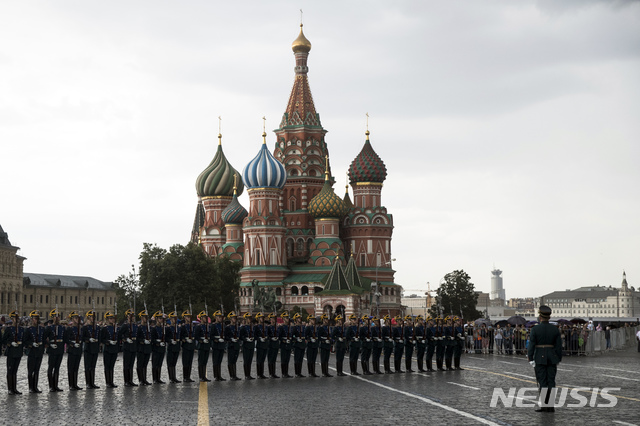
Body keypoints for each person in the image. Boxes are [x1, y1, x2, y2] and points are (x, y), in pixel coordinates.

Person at [528, 305, 562, 413]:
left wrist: (530, 357)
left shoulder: (535, 329)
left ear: (540, 317)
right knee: (551, 381)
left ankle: (544, 405)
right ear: (549, 317)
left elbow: (531, 344)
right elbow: (558, 346)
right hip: (552, 357)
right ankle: (551, 406)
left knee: (542, 381)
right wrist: (558, 358)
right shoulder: (555, 330)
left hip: (539, 357)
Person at [3, 311, 25, 395]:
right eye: (15, 318)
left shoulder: (21, 329)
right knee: (10, 370)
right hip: (11, 352)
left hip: (18, 351)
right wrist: (10, 343)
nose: (17, 320)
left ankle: (14, 388)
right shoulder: (8, 329)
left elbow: (23, 339)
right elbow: (4, 340)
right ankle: (10, 389)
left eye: (17, 318)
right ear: (12, 319)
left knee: (15, 371)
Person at [24, 310, 45, 393]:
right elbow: (25, 341)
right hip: (32, 352)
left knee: (37, 370)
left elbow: (43, 339)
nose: (35, 320)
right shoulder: (28, 330)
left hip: (39, 351)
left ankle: (35, 387)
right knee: (30, 370)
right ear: (31, 319)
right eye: (34, 318)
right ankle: (30, 387)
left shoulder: (41, 329)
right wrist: (31, 344)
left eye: (36, 318)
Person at [99, 311, 120, 388]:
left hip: (114, 349)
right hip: (108, 349)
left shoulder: (116, 328)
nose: (112, 320)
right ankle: (108, 382)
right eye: (110, 318)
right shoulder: (104, 329)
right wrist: (108, 341)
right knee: (107, 366)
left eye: (113, 318)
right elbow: (101, 339)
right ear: (107, 319)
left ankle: (111, 381)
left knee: (112, 366)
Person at [64, 311, 83, 391]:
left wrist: (80, 342)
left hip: (78, 349)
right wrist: (72, 343)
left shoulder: (80, 328)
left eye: (77, 318)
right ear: (72, 319)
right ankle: (71, 384)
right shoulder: (69, 328)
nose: (77, 320)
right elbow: (66, 339)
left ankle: (75, 384)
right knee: (71, 368)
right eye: (75, 318)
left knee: (76, 368)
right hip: (72, 349)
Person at [82, 309, 101, 389]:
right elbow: (82, 337)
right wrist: (88, 339)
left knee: (93, 366)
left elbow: (99, 337)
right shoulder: (85, 328)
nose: (93, 318)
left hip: (95, 348)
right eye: (91, 317)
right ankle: (88, 383)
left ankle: (92, 383)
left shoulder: (97, 327)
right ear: (88, 318)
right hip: (88, 348)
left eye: (93, 317)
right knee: (87, 366)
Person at [119, 309, 138, 386]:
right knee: (126, 364)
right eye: (131, 316)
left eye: (133, 316)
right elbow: (119, 334)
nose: (132, 317)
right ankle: (126, 381)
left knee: (131, 364)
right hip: (127, 346)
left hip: (133, 346)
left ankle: (130, 380)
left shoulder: (135, 325)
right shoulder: (125, 325)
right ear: (127, 317)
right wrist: (125, 339)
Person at [150, 311, 169, 384]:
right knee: (155, 364)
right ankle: (155, 379)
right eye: (160, 318)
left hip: (162, 348)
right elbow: (152, 339)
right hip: (156, 348)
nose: (162, 320)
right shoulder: (154, 328)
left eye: (162, 319)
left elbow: (166, 337)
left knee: (160, 364)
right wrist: (158, 342)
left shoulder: (163, 328)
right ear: (157, 319)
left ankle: (158, 378)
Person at [136, 309, 153, 386]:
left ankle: (144, 379)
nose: (146, 319)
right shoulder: (139, 328)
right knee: (140, 364)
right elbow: (137, 338)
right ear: (141, 318)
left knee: (145, 364)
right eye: (145, 317)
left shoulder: (148, 327)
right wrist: (143, 340)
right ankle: (141, 380)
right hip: (141, 348)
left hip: (147, 348)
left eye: (147, 317)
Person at [194, 311, 211, 382]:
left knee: (205, 362)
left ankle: (204, 376)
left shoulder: (208, 326)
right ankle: (201, 376)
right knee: (201, 362)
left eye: (206, 317)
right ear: (201, 318)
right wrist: (201, 340)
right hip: (201, 345)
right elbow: (196, 336)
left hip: (207, 345)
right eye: (204, 318)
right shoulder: (198, 327)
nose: (205, 319)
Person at [180, 310, 196, 382]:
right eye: (187, 317)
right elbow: (180, 336)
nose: (189, 318)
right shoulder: (183, 327)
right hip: (186, 346)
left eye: (189, 317)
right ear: (184, 318)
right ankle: (185, 377)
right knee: (185, 362)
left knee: (190, 362)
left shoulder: (192, 326)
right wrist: (185, 340)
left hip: (191, 345)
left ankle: (188, 377)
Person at [166, 311, 182, 383]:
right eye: (173, 319)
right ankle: (171, 378)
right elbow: (166, 338)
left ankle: (174, 377)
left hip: (177, 346)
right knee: (170, 363)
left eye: (175, 319)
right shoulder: (168, 328)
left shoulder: (178, 328)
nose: (175, 320)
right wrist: (170, 341)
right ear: (170, 319)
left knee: (174, 363)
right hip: (171, 347)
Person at [238, 312, 255, 380]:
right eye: (248, 319)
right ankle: (246, 375)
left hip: (251, 345)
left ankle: (249, 374)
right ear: (245, 319)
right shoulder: (243, 328)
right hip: (246, 345)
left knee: (250, 360)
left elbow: (255, 335)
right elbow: (240, 336)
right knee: (246, 360)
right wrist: (245, 339)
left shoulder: (252, 327)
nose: (249, 320)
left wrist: (253, 338)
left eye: (250, 319)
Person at [210, 310, 225, 381]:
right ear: (216, 317)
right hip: (216, 345)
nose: (220, 318)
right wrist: (217, 340)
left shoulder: (222, 325)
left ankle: (219, 375)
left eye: (221, 317)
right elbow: (211, 336)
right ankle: (216, 376)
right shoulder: (213, 326)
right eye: (219, 317)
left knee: (219, 361)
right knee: (215, 361)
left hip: (221, 345)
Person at [278, 311, 293, 378]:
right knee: (283, 359)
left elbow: (292, 335)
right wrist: (283, 340)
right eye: (286, 318)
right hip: (284, 345)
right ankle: (283, 373)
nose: (287, 319)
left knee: (287, 359)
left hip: (288, 344)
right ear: (283, 319)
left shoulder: (289, 327)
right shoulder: (281, 327)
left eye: (287, 318)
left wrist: (291, 341)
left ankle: (286, 373)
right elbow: (279, 336)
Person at [291, 313, 306, 378]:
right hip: (297, 345)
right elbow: (292, 336)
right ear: (296, 320)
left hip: (302, 344)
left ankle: (299, 372)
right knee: (297, 359)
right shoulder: (295, 327)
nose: (300, 319)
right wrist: (296, 339)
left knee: (301, 359)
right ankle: (297, 373)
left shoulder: (302, 327)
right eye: (298, 318)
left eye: (300, 318)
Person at [254, 312, 268, 379]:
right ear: (258, 319)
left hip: (265, 344)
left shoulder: (265, 326)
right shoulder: (256, 327)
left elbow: (268, 334)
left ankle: (262, 373)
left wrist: (266, 338)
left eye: (263, 318)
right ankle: (259, 374)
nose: (262, 319)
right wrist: (259, 339)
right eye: (261, 318)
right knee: (259, 360)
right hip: (259, 344)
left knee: (263, 360)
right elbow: (254, 335)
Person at [266, 313, 280, 378]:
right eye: (272, 318)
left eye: (274, 318)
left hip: (276, 344)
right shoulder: (268, 327)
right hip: (270, 344)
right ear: (270, 319)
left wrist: (277, 338)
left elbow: (279, 334)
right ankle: (271, 373)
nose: (274, 320)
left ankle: (273, 373)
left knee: (274, 359)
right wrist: (271, 338)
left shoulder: (277, 327)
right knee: (270, 359)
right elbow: (267, 335)